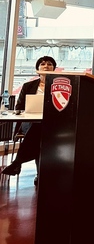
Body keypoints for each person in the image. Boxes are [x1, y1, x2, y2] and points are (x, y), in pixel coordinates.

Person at [1, 56, 57, 184]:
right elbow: (19, 107)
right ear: (37, 68)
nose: (46, 66)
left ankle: (18, 162)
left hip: (52, 122)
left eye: (49, 64)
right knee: (38, 129)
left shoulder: (59, 86)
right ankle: (39, 174)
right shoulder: (28, 86)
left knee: (40, 130)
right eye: (43, 64)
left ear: (54, 68)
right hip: (30, 122)